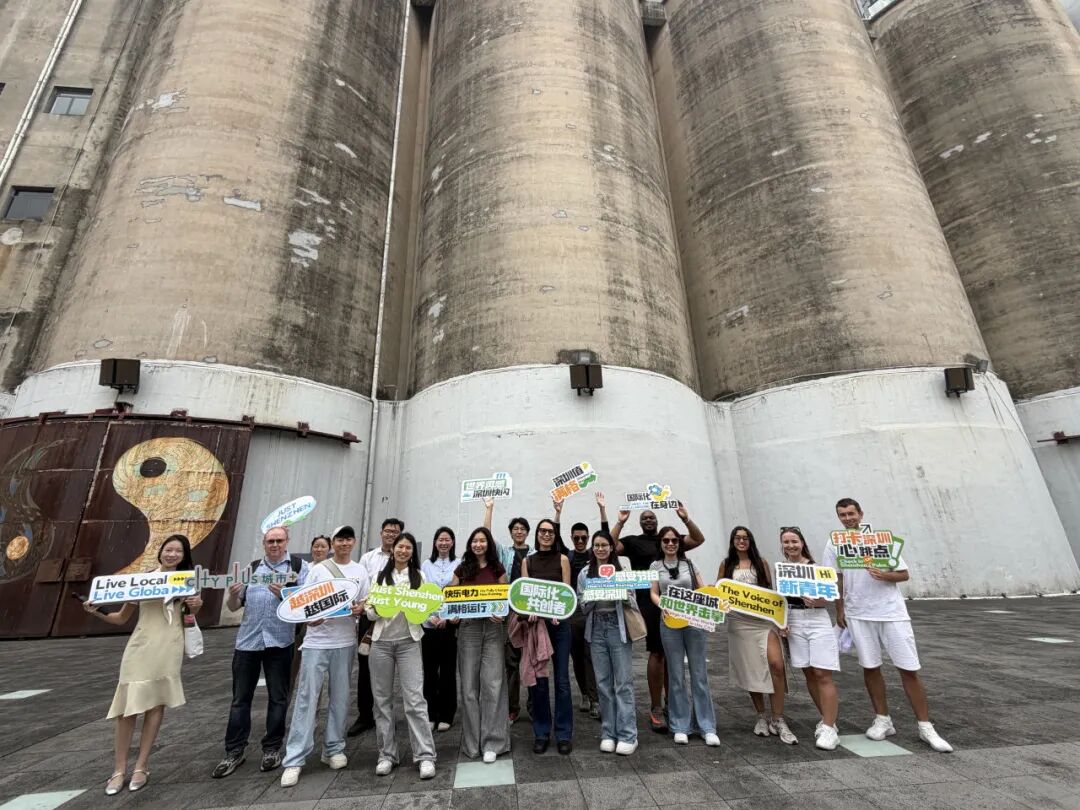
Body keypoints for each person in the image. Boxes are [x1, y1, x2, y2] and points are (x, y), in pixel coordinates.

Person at [827, 498, 952, 752]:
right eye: (843, 515)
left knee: (908, 667)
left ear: (861, 513)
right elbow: (835, 577)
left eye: (851, 513)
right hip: (858, 613)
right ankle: (883, 719)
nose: (848, 518)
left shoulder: (880, 540)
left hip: (891, 612)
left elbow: (903, 574)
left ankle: (925, 726)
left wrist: (884, 575)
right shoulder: (835, 543)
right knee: (870, 666)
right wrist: (840, 609)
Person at [84, 534, 203, 795]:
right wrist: (97, 611)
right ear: (160, 552)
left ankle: (141, 766)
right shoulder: (143, 579)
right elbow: (120, 618)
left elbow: (189, 617)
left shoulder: (187, 581)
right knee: (127, 708)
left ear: (184, 557)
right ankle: (118, 769)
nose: (172, 554)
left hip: (168, 645)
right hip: (141, 643)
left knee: (156, 705)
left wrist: (196, 606)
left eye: (178, 551)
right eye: (168, 550)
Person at [213, 526, 309, 778]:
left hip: (280, 641)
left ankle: (272, 748)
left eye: (279, 541)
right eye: (270, 541)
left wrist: (285, 595)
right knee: (239, 699)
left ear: (287, 542)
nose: (275, 545)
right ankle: (234, 750)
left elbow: (305, 605)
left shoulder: (299, 568)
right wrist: (232, 595)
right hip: (248, 641)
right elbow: (234, 606)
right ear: (263, 543)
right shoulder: (252, 569)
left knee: (278, 697)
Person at [280, 526, 369, 787]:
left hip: (345, 641)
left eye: (348, 539)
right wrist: (311, 619)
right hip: (316, 642)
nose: (344, 543)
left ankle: (333, 747)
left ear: (354, 542)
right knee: (307, 698)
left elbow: (365, 601)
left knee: (340, 697)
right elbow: (302, 604)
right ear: (333, 543)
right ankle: (295, 758)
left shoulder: (359, 570)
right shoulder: (318, 570)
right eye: (339, 539)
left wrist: (360, 609)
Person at [611, 503, 705, 732]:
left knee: (674, 654)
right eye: (644, 518)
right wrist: (620, 522)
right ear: (640, 522)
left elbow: (698, 539)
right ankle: (655, 706)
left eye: (651, 517)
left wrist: (685, 518)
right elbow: (610, 545)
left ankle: (672, 702)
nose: (648, 520)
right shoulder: (633, 541)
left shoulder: (669, 539)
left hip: (679, 603)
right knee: (657, 652)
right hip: (650, 602)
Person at [368, 532, 438, 778]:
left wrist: (432, 616)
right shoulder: (379, 576)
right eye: (400, 546)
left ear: (412, 552)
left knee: (415, 700)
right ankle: (387, 755)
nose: (403, 551)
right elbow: (369, 611)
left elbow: (425, 608)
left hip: (409, 642)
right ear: (393, 549)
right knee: (382, 701)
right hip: (381, 644)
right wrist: (379, 609)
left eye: (408, 547)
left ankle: (425, 755)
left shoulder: (418, 576)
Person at [716, 526, 794, 743]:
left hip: (763, 621)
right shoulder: (726, 564)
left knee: (776, 665)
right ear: (732, 541)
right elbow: (719, 592)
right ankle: (761, 715)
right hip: (739, 623)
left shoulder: (761, 563)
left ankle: (778, 717)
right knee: (750, 668)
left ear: (751, 541)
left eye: (745, 538)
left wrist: (780, 621)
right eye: (737, 538)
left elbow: (771, 592)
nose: (742, 541)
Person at [650, 527, 720, 747]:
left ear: (679, 543)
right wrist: (662, 604)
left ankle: (707, 726)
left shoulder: (689, 564)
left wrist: (713, 602)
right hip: (669, 622)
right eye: (666, 540)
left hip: (693, 622)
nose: (670, 544)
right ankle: (680, 725)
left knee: (699, 673)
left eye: (674, 540)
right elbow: (653, 592)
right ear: (661, 543)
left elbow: (702, 588)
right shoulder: (655, 566)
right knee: (676, 674)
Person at [450, 527, 511, 762]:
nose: (478, 544)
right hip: (469, 630)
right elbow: (451, 598)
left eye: (482, 541)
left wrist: (502, 613)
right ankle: (472, 743)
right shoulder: (462, 568)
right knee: (468, 687)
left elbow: (505, 598)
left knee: (493, 684)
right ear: (469, 544)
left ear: (489, 544)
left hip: (493, 629)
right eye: (474, 541)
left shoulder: (497, 568)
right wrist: (452, 614)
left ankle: (493, 742)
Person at [577, 530, 639, 755]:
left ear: (612, 547)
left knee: (623, 683)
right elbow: (581, 604)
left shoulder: (623, 570)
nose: (600, 549)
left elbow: (632, 599)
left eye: (604, 545)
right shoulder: (585, 572)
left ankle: (628, 734)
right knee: (603, 684)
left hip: (617, 626)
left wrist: (618, 591)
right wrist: (592, 596)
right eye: (596, 545)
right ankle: (608, 733)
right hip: (596, 629)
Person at [779, 527, 840, 750]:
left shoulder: (816, 569)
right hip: (794, 620)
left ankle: (829, 727)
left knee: (823, 673)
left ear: (802, 543)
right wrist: (781, 622)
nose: (791, 546)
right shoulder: (782, 569)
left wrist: (818, 601)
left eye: (794, 541)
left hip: (816, 619)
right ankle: (827, 720)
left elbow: (830, 596)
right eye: (786, 542)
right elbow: (780, 600)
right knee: (808, 673)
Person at [520, 517, 574, 754]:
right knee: (539, 680)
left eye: (550, 532)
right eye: (542, 531)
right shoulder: (527, 561)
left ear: (555, 535)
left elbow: (567, 594)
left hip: (559, 626)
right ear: (537, 534)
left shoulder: (563, 559)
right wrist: (530, 612)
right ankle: (541, 732)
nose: (546, 534)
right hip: (537, 627)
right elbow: (525, 595)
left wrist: (560, 614)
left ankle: (563, 734)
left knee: (562, 681)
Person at [347, 517, 404, 737]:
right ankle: (365, 715)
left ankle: (387, 714)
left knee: (391, 667)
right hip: (369, 617)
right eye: (388, 531)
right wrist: (362, 606)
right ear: (381, 533)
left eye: (395, 532)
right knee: (365, 667)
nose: (391, 535)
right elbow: (360, 587)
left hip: (394, 619)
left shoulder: (403, 557)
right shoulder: (368, 558)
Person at [555, 492, 608, 719]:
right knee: (576, 656)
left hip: (591, 610)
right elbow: (555, 538)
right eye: (576, 538)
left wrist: (602, 510)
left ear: (587, 538)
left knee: (590, 655)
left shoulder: (593, 555)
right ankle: (585, 694)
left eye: (583, 538)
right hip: (572, 613)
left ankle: (595, 699)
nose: (579, 541)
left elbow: (606, 536)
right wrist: (558, 513)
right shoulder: (566, 555)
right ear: (572, 537)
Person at [483, 498, 530, 723]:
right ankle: (513, 707)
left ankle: (534, 706)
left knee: (532, 659)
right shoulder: (504, 552)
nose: (519, 531)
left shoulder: (534, 553)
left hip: (531, 611)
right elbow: (486, 535)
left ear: (527, 533)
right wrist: (489, 509)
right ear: (511, 532)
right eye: (515, 529)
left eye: (522, 529)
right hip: (510, 611)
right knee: (511, 661)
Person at [421, 526, 458, 732]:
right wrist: (431, 617)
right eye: (440, 539)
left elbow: (460, 594)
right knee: (429, 671)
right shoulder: (426, 565)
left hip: (450, 626)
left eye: (447, 539)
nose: (444, 543)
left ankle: (447, 714)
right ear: (435, 542)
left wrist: (448, 617)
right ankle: (430, 712)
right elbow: (422, 594)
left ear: (452, 542)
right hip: (429, 626)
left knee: (448, 671)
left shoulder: (459, 564)